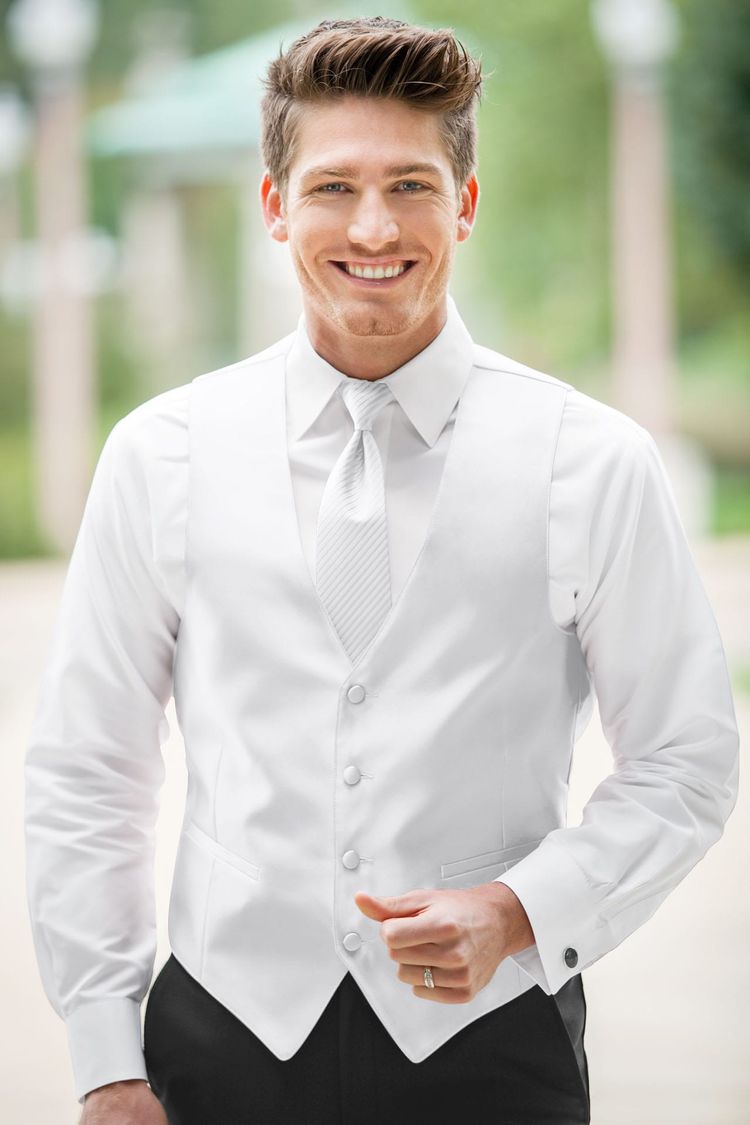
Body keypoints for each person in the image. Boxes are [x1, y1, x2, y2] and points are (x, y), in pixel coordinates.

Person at [24, 15, 739, 1125]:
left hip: (496, 1042)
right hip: (218, 1038)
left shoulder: (589, 461)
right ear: (274, 206)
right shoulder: (161, 452)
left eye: (410, 184)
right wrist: (107, 1058)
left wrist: (519, 910)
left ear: (465, 201)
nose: (373, 226)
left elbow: (687, 759)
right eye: (330, 187)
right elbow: (89, 771)